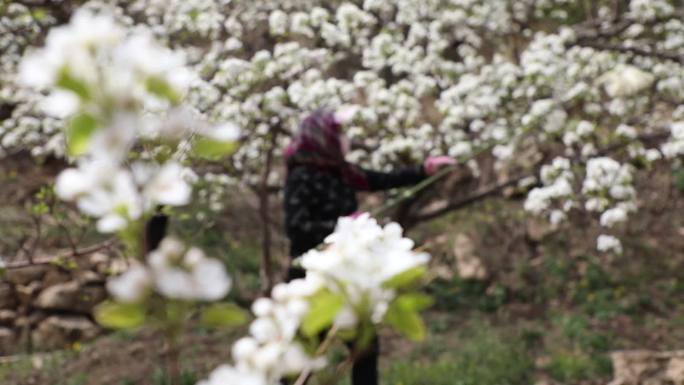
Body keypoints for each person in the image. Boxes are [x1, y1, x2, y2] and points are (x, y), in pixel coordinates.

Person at [282, 109, 454, 385]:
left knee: (365, 349)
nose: (346, 140)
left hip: (348, 275)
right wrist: (342, 227)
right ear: (321, 138)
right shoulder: (301, 176)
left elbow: (381, 179)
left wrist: (425, 169)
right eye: (340, 134)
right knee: (300, 354)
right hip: (311, 278)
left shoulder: (341, 171)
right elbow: (296, 227)